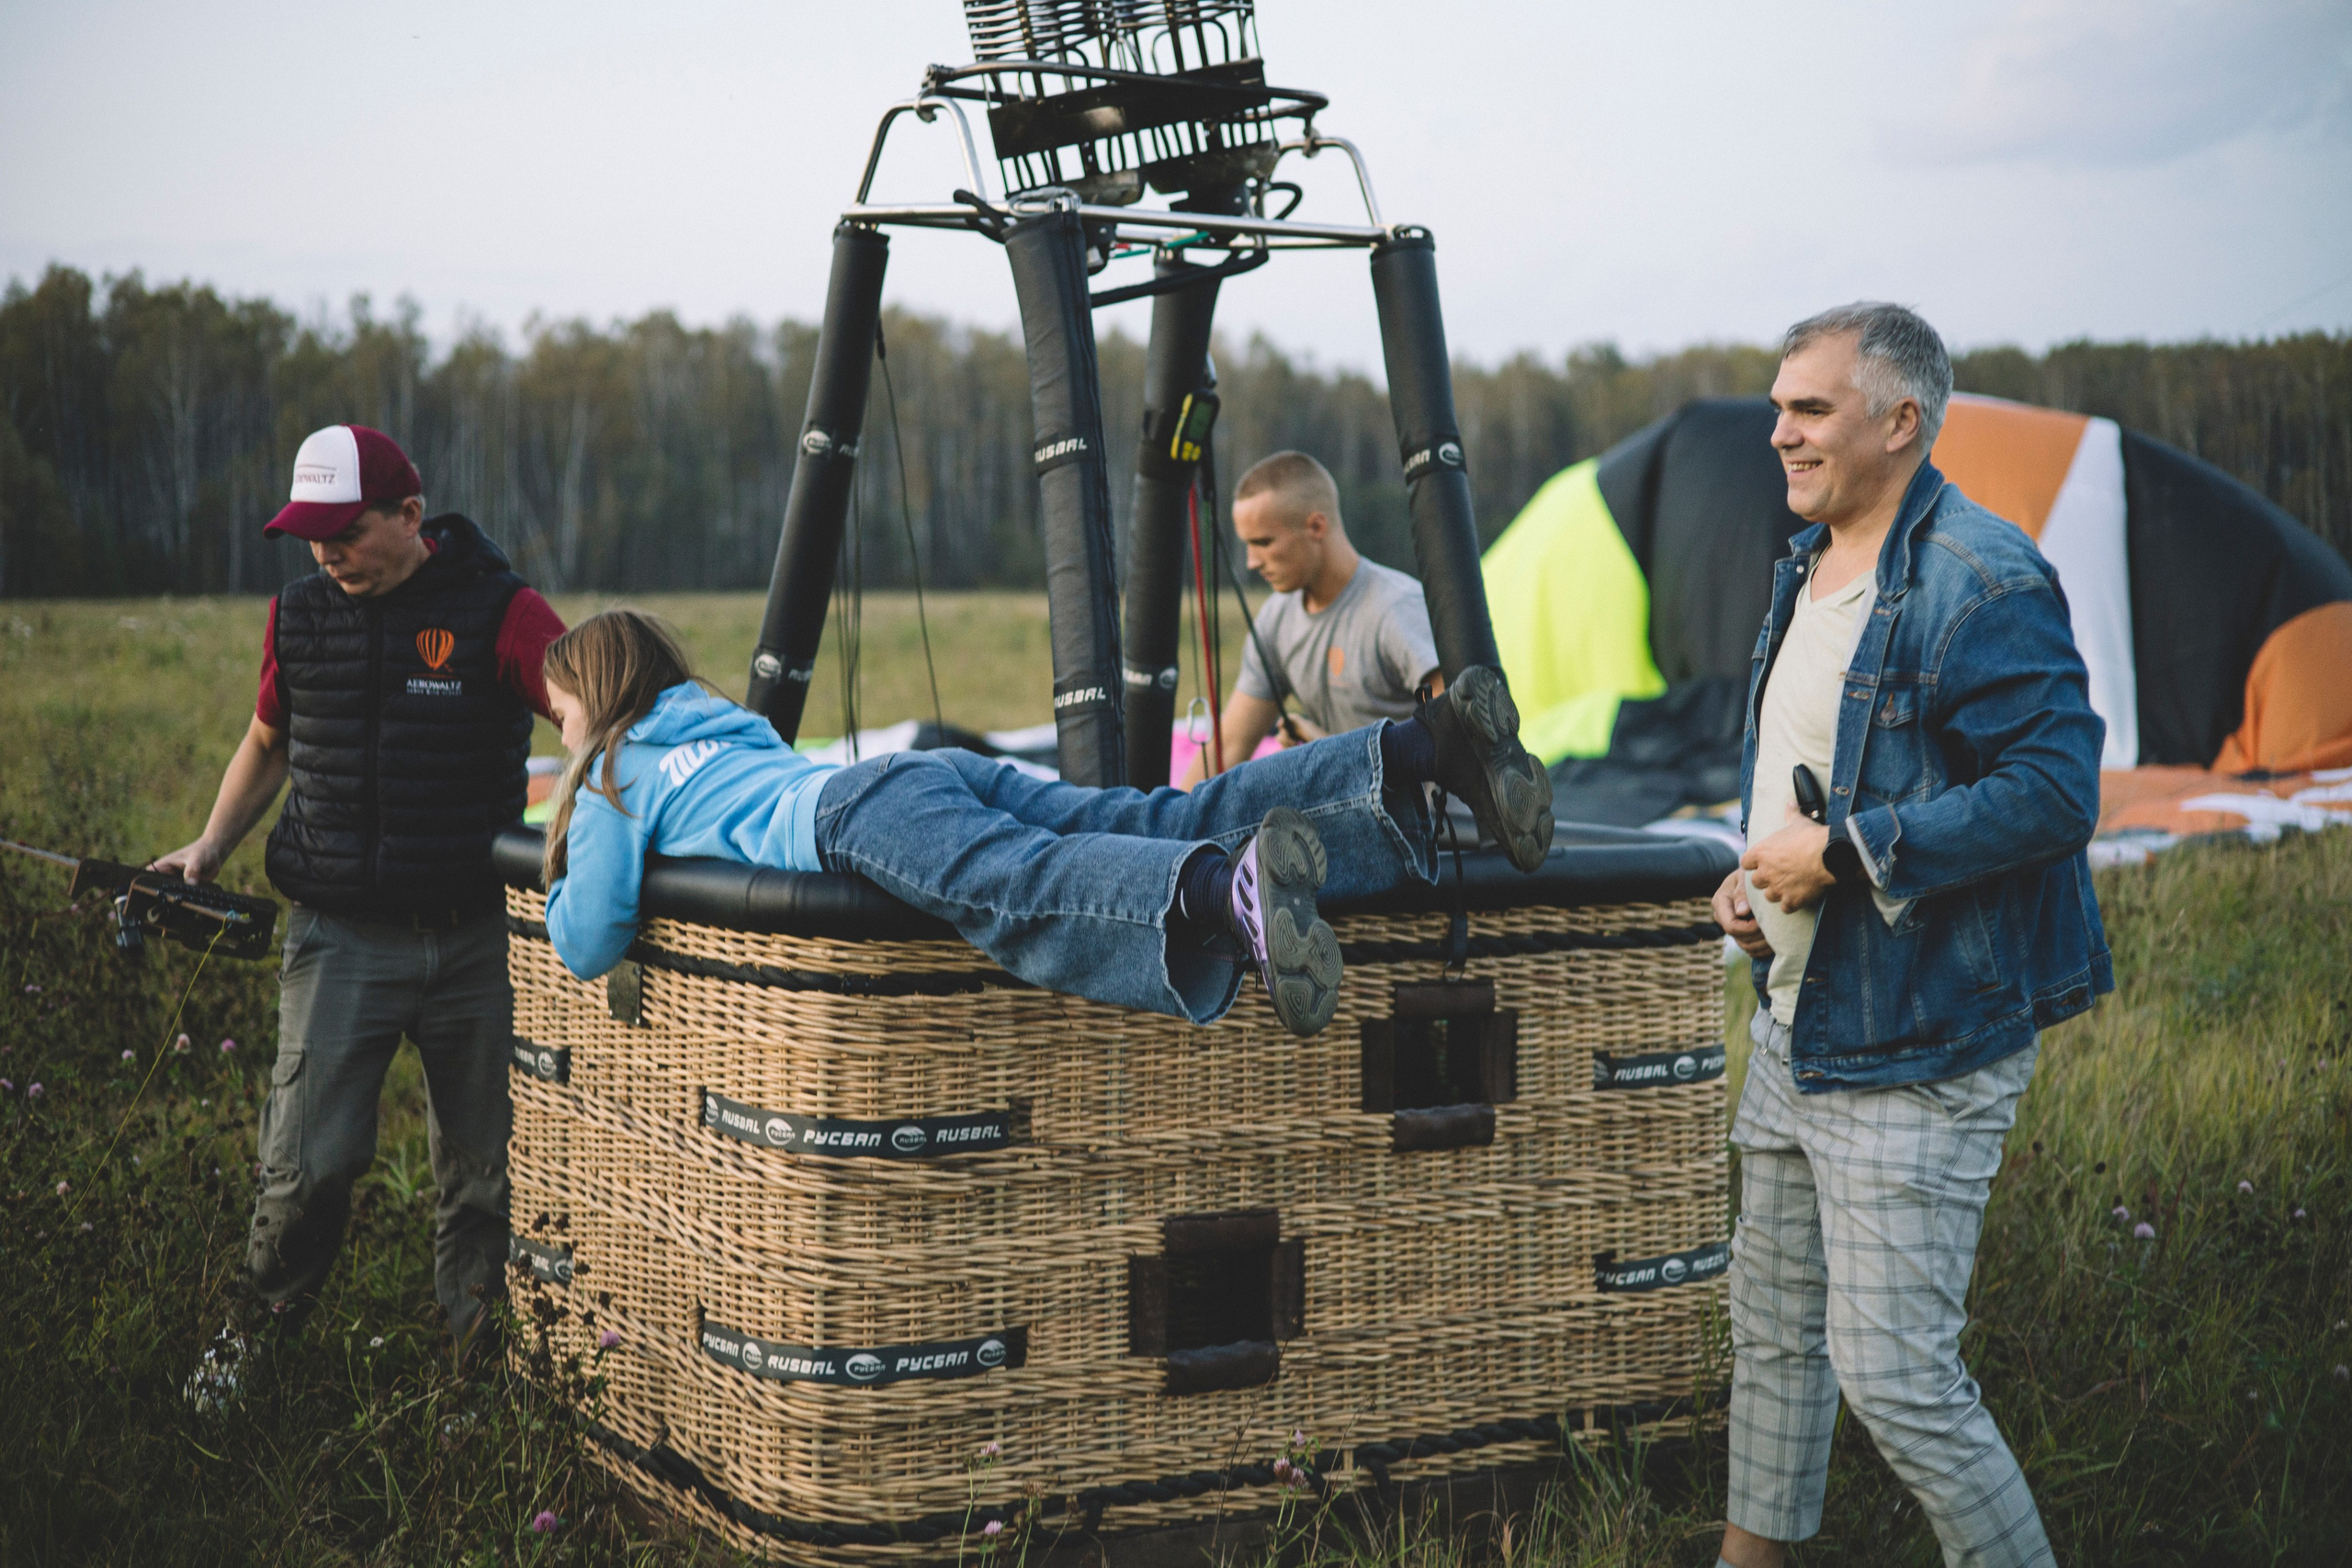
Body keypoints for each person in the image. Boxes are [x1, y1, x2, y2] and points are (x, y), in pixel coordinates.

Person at [1709, 305, 2109, 1568]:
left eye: (1811, 408)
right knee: (1772, 1337)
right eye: (1779, 404)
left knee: (1897, 1380)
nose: (1780, 430)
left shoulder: (1982, 576)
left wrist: (1842, 852)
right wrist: (1759, 874)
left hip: (1922, 1033)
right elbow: (1816, 763)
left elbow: (2054, 792)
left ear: (1900, 420)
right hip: (1799, 1019)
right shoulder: (1809, 560)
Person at [536, 609, 1554, 1036]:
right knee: (1153, 808)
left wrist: (548, 867)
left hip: (851, 815)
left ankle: (1224, 892)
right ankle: (1423, 751)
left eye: (559, 705)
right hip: (917, 769)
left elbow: (591, 934)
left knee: (1019, 884)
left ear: (593, 695)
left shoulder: (613, 774)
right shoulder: (712, 718)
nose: (559, 724)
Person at [161, 423, 567, 1404]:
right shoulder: (298, 616)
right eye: (310, 533)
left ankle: (479, 1380)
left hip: (478, 942)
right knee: (309, 1168)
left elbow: (584, 704)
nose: (325, 552)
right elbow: (267, 742)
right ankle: (248, 1348)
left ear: (409, 516)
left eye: (345, 531)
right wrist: (206, 847)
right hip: (339, 938)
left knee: (485, 1176)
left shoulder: (501, 610)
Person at [1179, 451, 1442, 787]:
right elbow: (1229, 746)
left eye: (1263, 542)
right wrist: (1171, 825)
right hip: (1353, 816)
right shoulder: (1277, 619)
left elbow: (1449, 732)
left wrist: (1335, 751)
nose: (1251, 563)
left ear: (1316, 526)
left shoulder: (1395, 608)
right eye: (1247, 545)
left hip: (1439, 832)